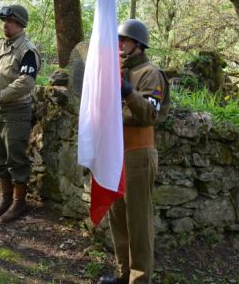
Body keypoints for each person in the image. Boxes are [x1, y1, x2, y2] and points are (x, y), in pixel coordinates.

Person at [99, 19, 170, 284]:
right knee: (117, 216)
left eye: (123, 41)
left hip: (138, 152)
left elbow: (148, 114)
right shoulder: (115, 71)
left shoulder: (150, 73)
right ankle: (123, 274)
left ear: (137, 45)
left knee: (138, 221)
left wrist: (127, 91)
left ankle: (139, 280)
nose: (118, 45)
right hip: (115, 151)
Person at [0, 4, 40, 223]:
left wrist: (4, 94)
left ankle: (19, 202)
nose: (5, 25)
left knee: (15, 157)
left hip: (16, 110)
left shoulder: (27, 49)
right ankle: (6, 198)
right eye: (4, 20)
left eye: (10, 21)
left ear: (20, 24)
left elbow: (27, 81)